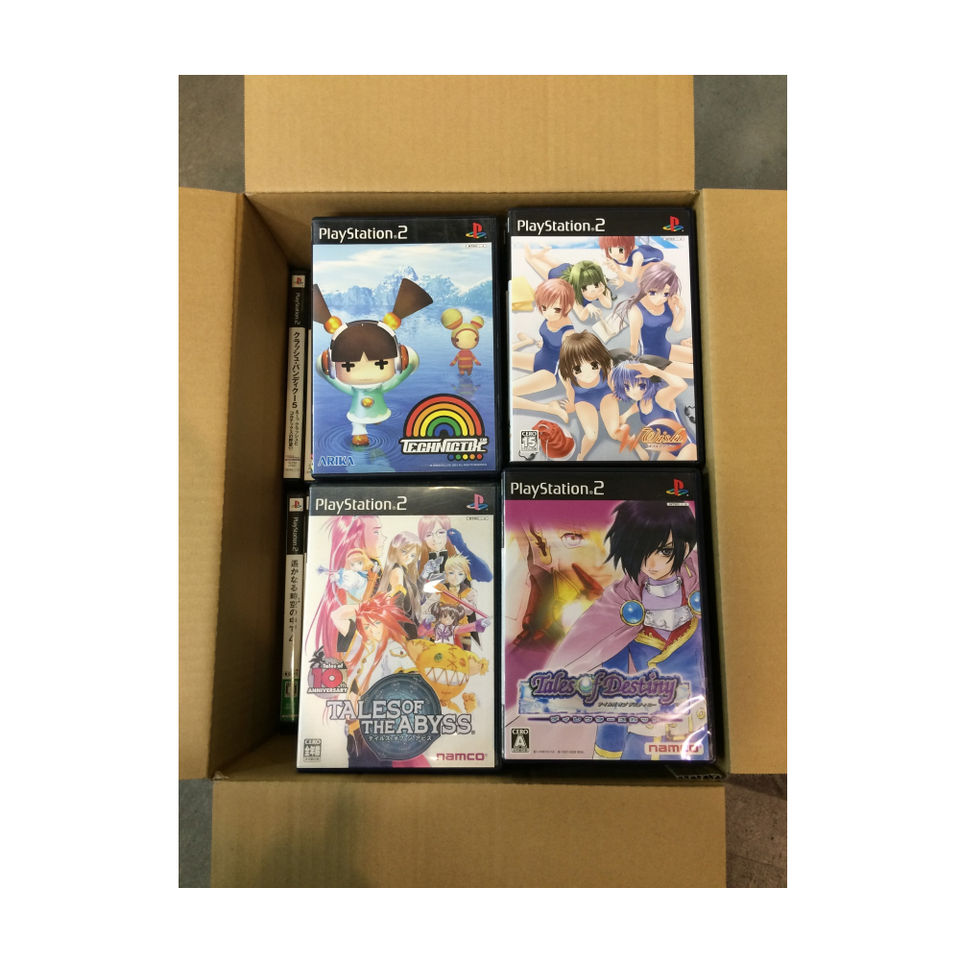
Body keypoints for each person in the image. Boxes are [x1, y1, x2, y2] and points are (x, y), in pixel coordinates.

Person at [545, 500, 705, 760]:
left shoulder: (702, 581)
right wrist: (607, 753)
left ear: (686, 544)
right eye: (641, 550)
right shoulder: (618, 606)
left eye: (664, 551)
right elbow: (613, 689)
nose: (651, 564)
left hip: (698, 738)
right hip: (642, 743)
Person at [601, 356, 697, 460]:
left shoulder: (660, 397)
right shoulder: (640, 403)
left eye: (641, 385)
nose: (633, 392)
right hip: (668, 449)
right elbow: (636, 407)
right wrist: (625, 416)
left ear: (649, 381)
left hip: (686, 447)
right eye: (627, 387)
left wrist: (656, 371)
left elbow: (681, 385)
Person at [511, 278, 576, 423]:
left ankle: (550, 409)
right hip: (538, 358)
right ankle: (527, 341)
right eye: (544, 307)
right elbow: (550, 338)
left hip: (550, 373)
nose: (548, 314)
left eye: (556, 309)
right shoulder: (551, 318)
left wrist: (572, 400)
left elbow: (567, 369)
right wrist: (546, 344)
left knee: (509, 394)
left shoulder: (568, 334)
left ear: (568, 307)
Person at [610, 261, 693, 362]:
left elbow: (676, 327)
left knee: (698, 357)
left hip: (667, 348)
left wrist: (682, 309)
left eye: (666, 294)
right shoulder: (636, 310)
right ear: (645, 286)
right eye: (653, 292)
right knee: (690, 369)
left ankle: (684, 344)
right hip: (649, 358)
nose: (659, 298)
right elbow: (633, 345)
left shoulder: (667, 302)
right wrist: (633, 366)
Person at [556, 331, 614, 461]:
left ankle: (635, 444)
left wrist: (616, 391)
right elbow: (570, 390)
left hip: (605, 394)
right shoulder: (564, 373)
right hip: (583, 400)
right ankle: (580, 456)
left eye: (594, 365)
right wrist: (571, 404)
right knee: (591, 436)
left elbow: (611, 381)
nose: (587, 374)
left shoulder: (607, 363)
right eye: (577, 369)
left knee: (614, 432)